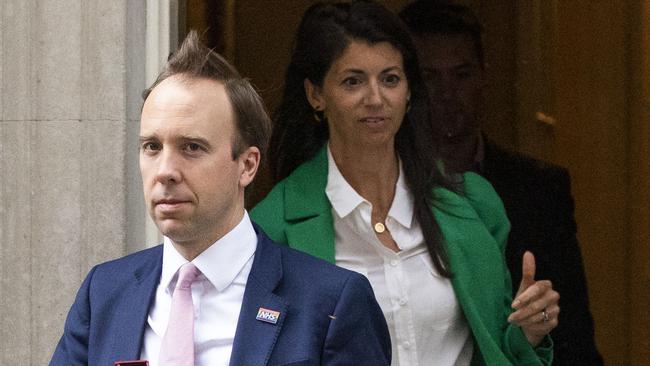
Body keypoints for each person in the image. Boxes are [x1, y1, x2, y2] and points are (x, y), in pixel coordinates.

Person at [49, 31, 391, 366]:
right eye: (152, 147)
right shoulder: (105, 292)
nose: (166, 170)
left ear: (247, 165)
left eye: (192, 147)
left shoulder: (331, 302)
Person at [252, 1, 558, 365]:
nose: (376, 98)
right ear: (315, 95)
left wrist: (528, 330)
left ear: (409, 90)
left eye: (390, 79)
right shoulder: (271, 230)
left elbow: (499, 351)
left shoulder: (474, 205)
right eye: (353, 81)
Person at [399, 2, 603, 365]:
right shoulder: (387, 189)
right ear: (408, 86)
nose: (447, 93)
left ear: (483, 77)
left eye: (461, 75)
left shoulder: (540, 188)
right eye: (431, 77)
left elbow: (574, 334)